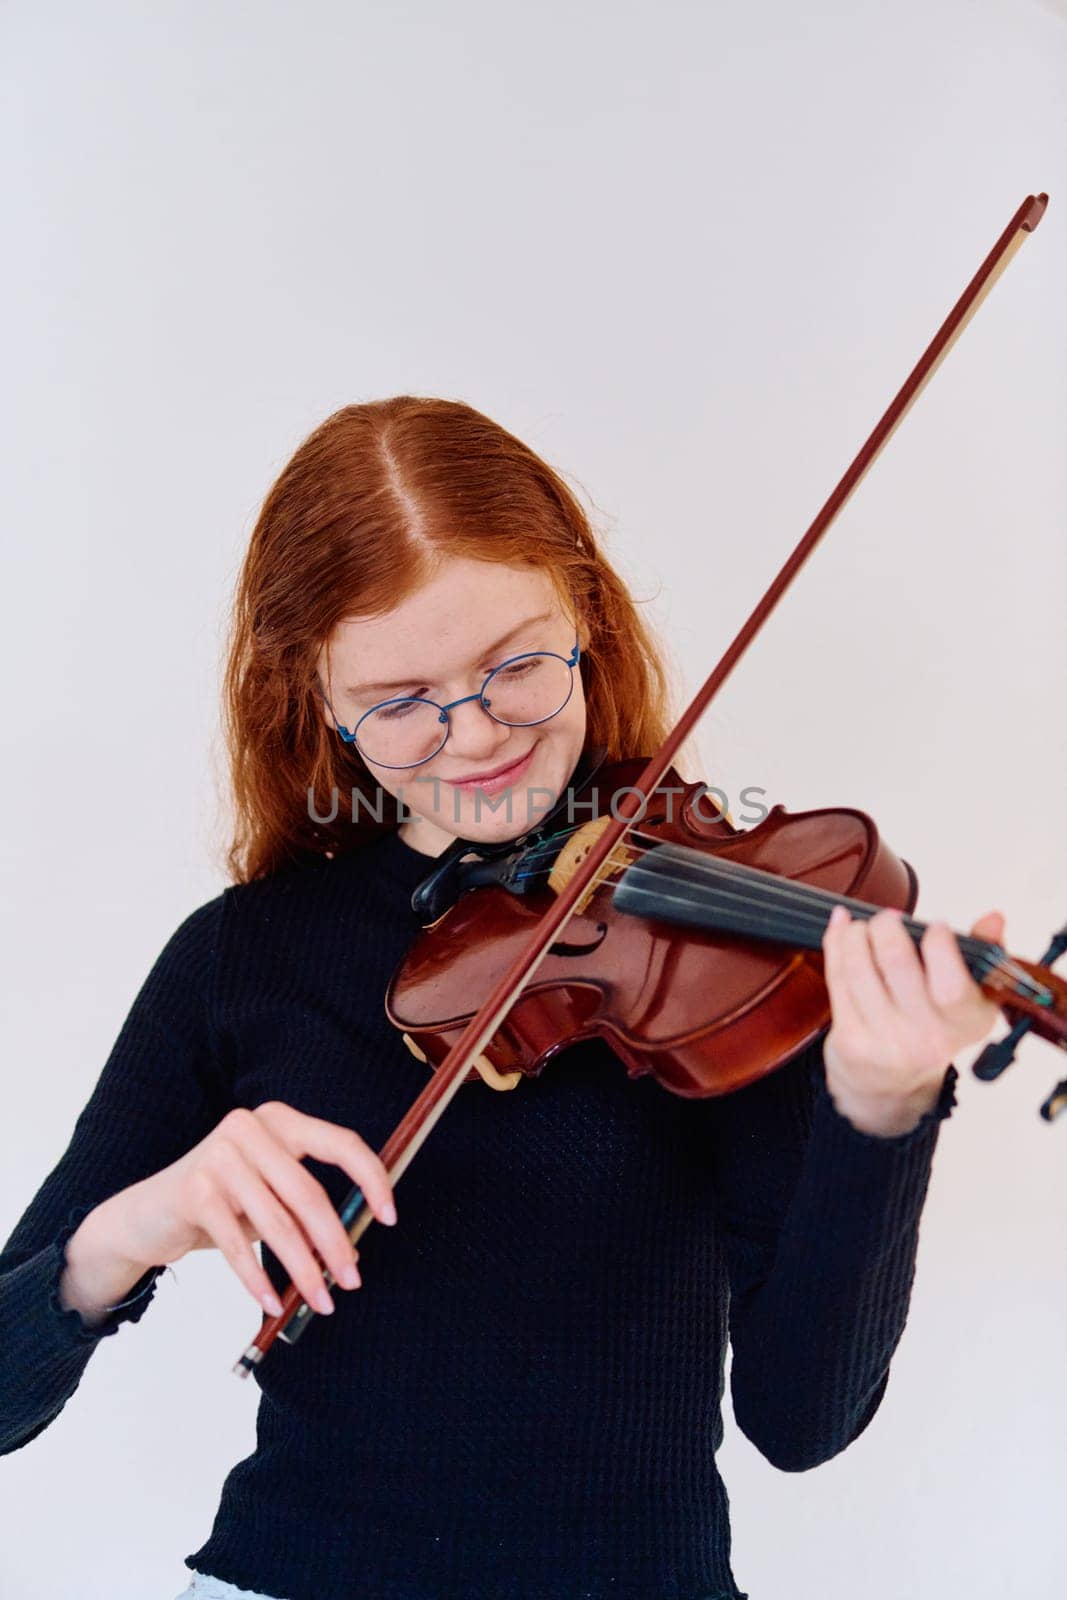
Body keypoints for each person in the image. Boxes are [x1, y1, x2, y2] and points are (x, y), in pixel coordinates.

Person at [0, 396, 1003, 1600]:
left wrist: (880, 1110)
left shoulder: (708, 945)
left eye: (515, 664)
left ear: (582, 610)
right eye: (399, 699)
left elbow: (803, 1420)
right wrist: (139, 1226)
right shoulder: (241, 957)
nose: (472, 736)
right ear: (317, 698)